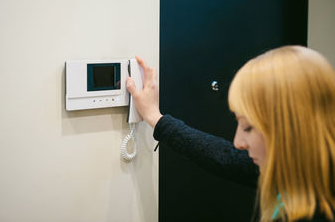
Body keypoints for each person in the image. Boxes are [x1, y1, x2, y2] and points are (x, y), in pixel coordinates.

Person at [126, 46, 335, 222]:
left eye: (249, 127)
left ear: (293, 127)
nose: (238, 142)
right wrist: (155, 117)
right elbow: (225, 158)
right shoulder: (293, 170)